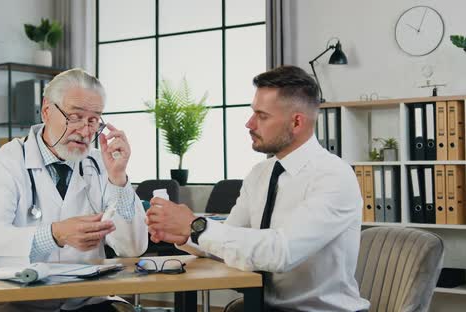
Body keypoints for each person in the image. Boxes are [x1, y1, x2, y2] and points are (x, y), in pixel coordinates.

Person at [146, 66, 370, 312]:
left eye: (262, 116)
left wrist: (196, 226)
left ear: (296, 122)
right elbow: (229, 240)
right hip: (260, 306)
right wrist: (186, 235)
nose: (249, 123)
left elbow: (282, 252)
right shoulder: (260, 174)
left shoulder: (334, 176)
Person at [0, 68, 147, 312]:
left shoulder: (101, 164)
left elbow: (133, 248)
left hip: (86, 301)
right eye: (75, 117)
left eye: (93, 120)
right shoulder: (7, 162)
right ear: (46, 111)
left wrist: (119, 179)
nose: (85, 131)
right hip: (17, 302)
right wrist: (55, 235)